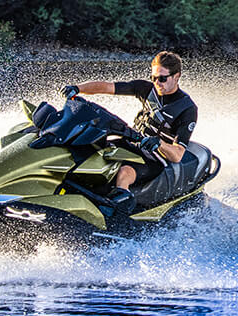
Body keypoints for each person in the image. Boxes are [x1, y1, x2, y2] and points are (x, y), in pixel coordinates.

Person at [62, 51, 198, 215]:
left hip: (155, 157)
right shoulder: (146, 89)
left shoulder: (187, 109)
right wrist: (78, 89)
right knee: (89, 147)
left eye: (162, 78)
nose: (157, 83)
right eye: (154, 77)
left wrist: (158, 142)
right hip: (131, 143)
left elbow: (177, 155)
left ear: (176, 76)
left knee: (125, 171)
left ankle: (118, 212)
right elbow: (106, 87)